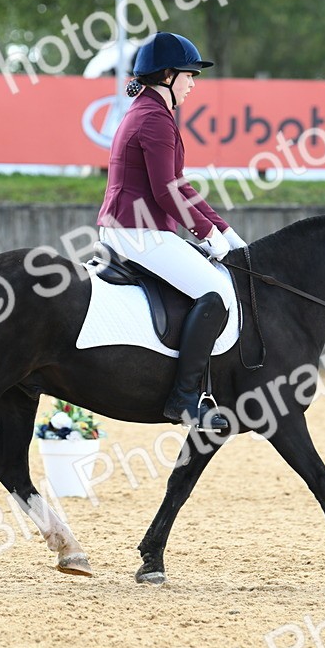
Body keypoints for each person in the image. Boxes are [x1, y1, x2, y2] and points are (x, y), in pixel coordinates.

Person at [96, 32, 246, 433]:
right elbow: (165, 191)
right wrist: (205, 235)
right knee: (215, 293)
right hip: (138, 230)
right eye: (189, 74)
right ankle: (183, 399)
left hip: (136, 226)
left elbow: (179, 184)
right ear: (167, 75)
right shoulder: (154, 119)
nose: (194, 83)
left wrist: (222, 229)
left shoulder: (148, 111)